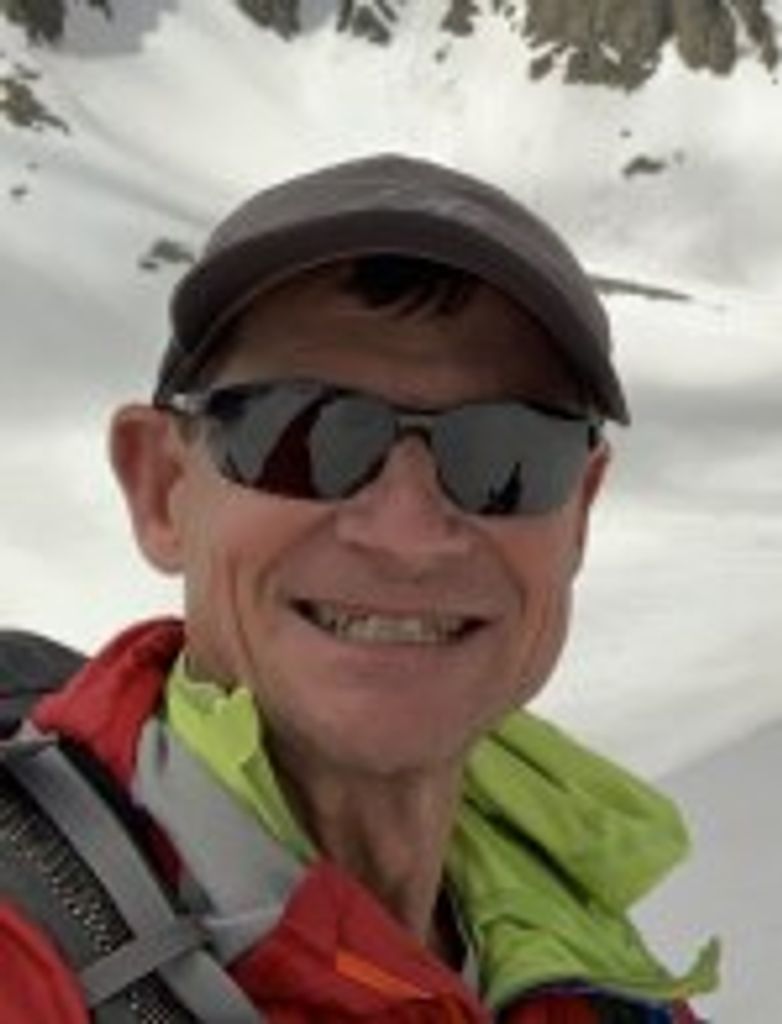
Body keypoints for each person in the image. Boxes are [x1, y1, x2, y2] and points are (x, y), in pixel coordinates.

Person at [0, 154, 718, 1023]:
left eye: (509, 454)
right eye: (303, 432)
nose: (407, 535)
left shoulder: (590, 963)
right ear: (163, 489)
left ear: (579, 516)